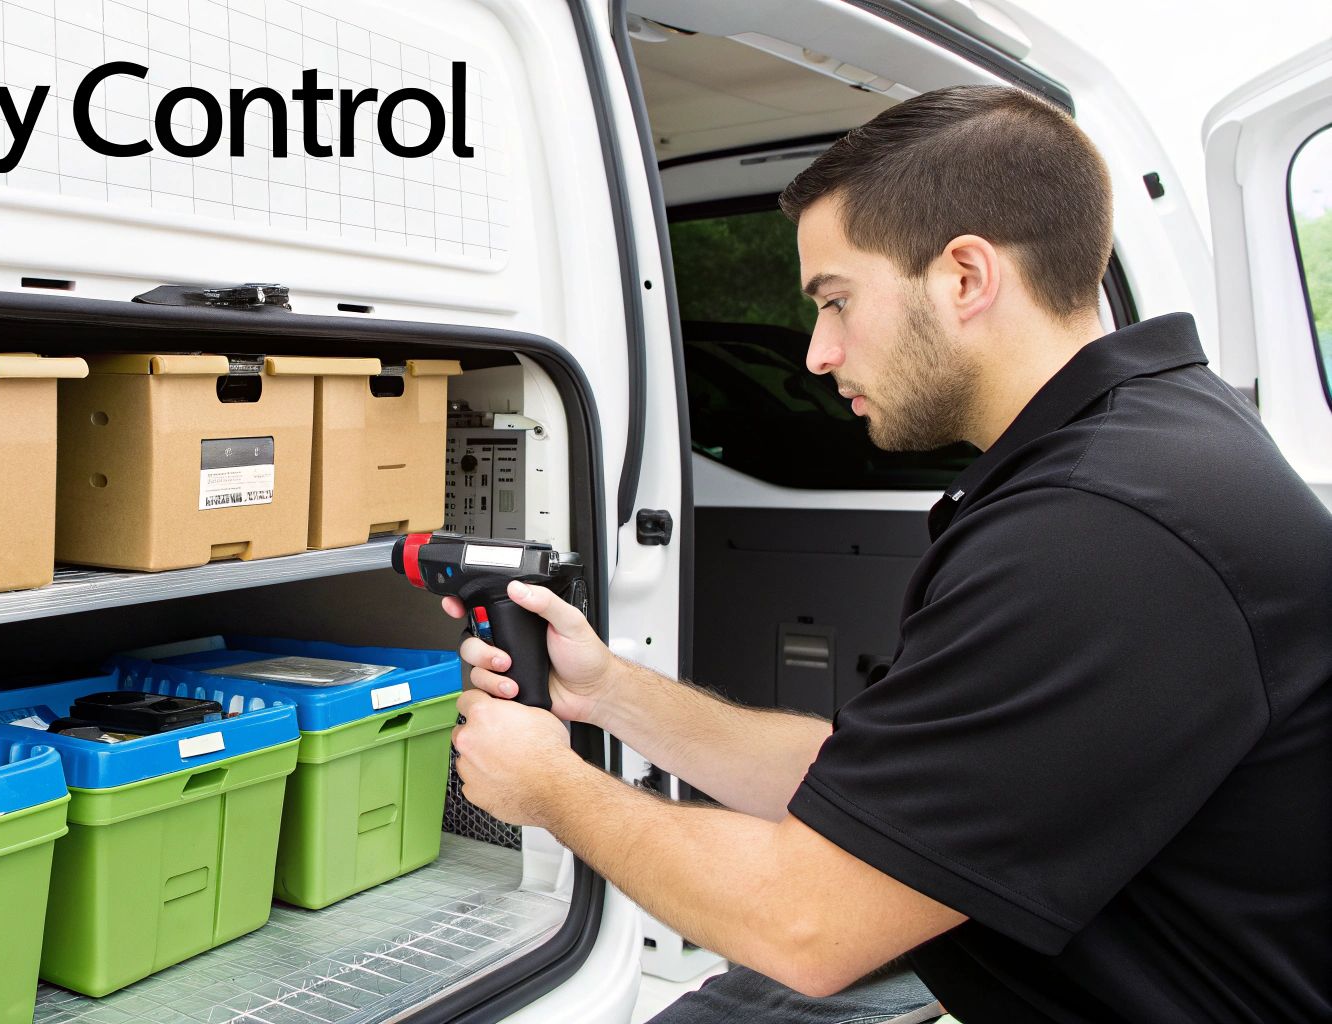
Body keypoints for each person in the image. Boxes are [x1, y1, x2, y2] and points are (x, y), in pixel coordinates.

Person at [442, 84, 1332, 1022]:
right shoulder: (1146, 445)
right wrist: (610, 693)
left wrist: (550, 786)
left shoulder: (1101, 530)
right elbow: (874, 782)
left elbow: (806, 924)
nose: (817, 353)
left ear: (965, 278)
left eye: (836, 301)